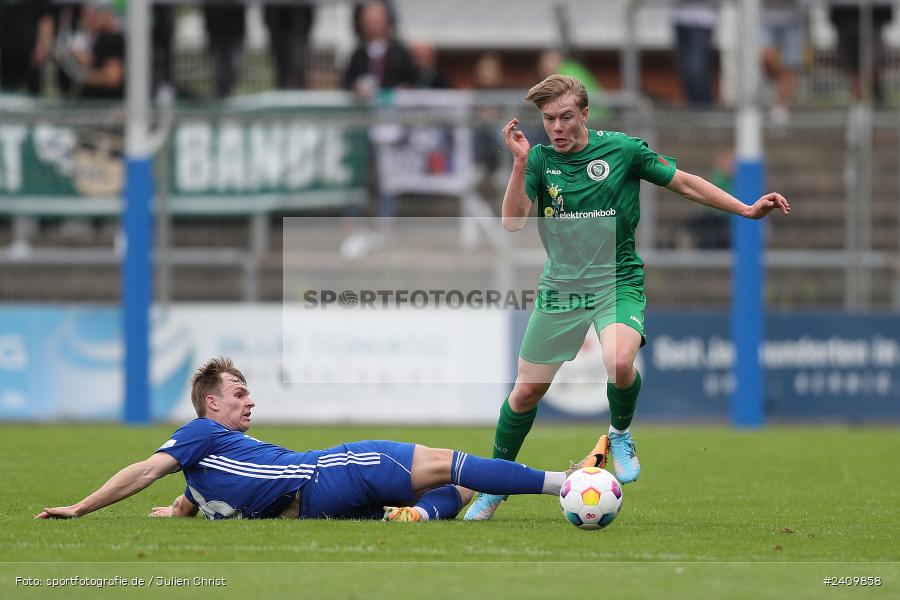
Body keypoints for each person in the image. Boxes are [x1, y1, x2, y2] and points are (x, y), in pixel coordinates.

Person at [464, 75, 790, 521]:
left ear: (584, 114)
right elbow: (512, 223)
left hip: (617, 280)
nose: (556, 128)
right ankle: (493, 485)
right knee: (525, 394)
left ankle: (619, 432)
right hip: (562, 287)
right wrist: (519, 163)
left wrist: (746, 208)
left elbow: (687, 183)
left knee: (619, 361)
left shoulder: (622, 150)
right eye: (548, 119)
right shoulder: (538, 160)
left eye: (564, 117)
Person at [36, 357, 609, 523]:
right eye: (239, 393)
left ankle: (421, 518)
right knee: (448, 464)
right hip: (331, 472)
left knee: (454, 488)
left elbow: (205, 489)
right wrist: (82, 507)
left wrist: (179, 510)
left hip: (319, 506)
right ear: (211, 404)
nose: (249, 401)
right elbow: (145, 469)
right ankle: (570, 481)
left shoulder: (208, 464)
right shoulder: (200, 433)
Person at [827, 0, 894, 103]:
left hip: (874, 15)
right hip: (845, 16)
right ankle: (859, 101)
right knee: (852, 65)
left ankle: (874, 92)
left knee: (873, 60)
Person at [762, 0, 808, 124]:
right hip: (765, 17)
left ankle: (781, 105)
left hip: (794, 18)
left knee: (790, 65)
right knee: (765, 58)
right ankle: (773, 90)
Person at [0, 0, 54, 95]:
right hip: (6, 53)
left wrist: (42, 47)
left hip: (30, 54)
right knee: (7, 92)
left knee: (33, 93)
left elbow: (46, 18)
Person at [672, 0, 718, 107]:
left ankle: (704, 112)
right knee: (685, 71)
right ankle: (694, 111)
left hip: (701, 18)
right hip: (679, 17)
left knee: (696, 71)